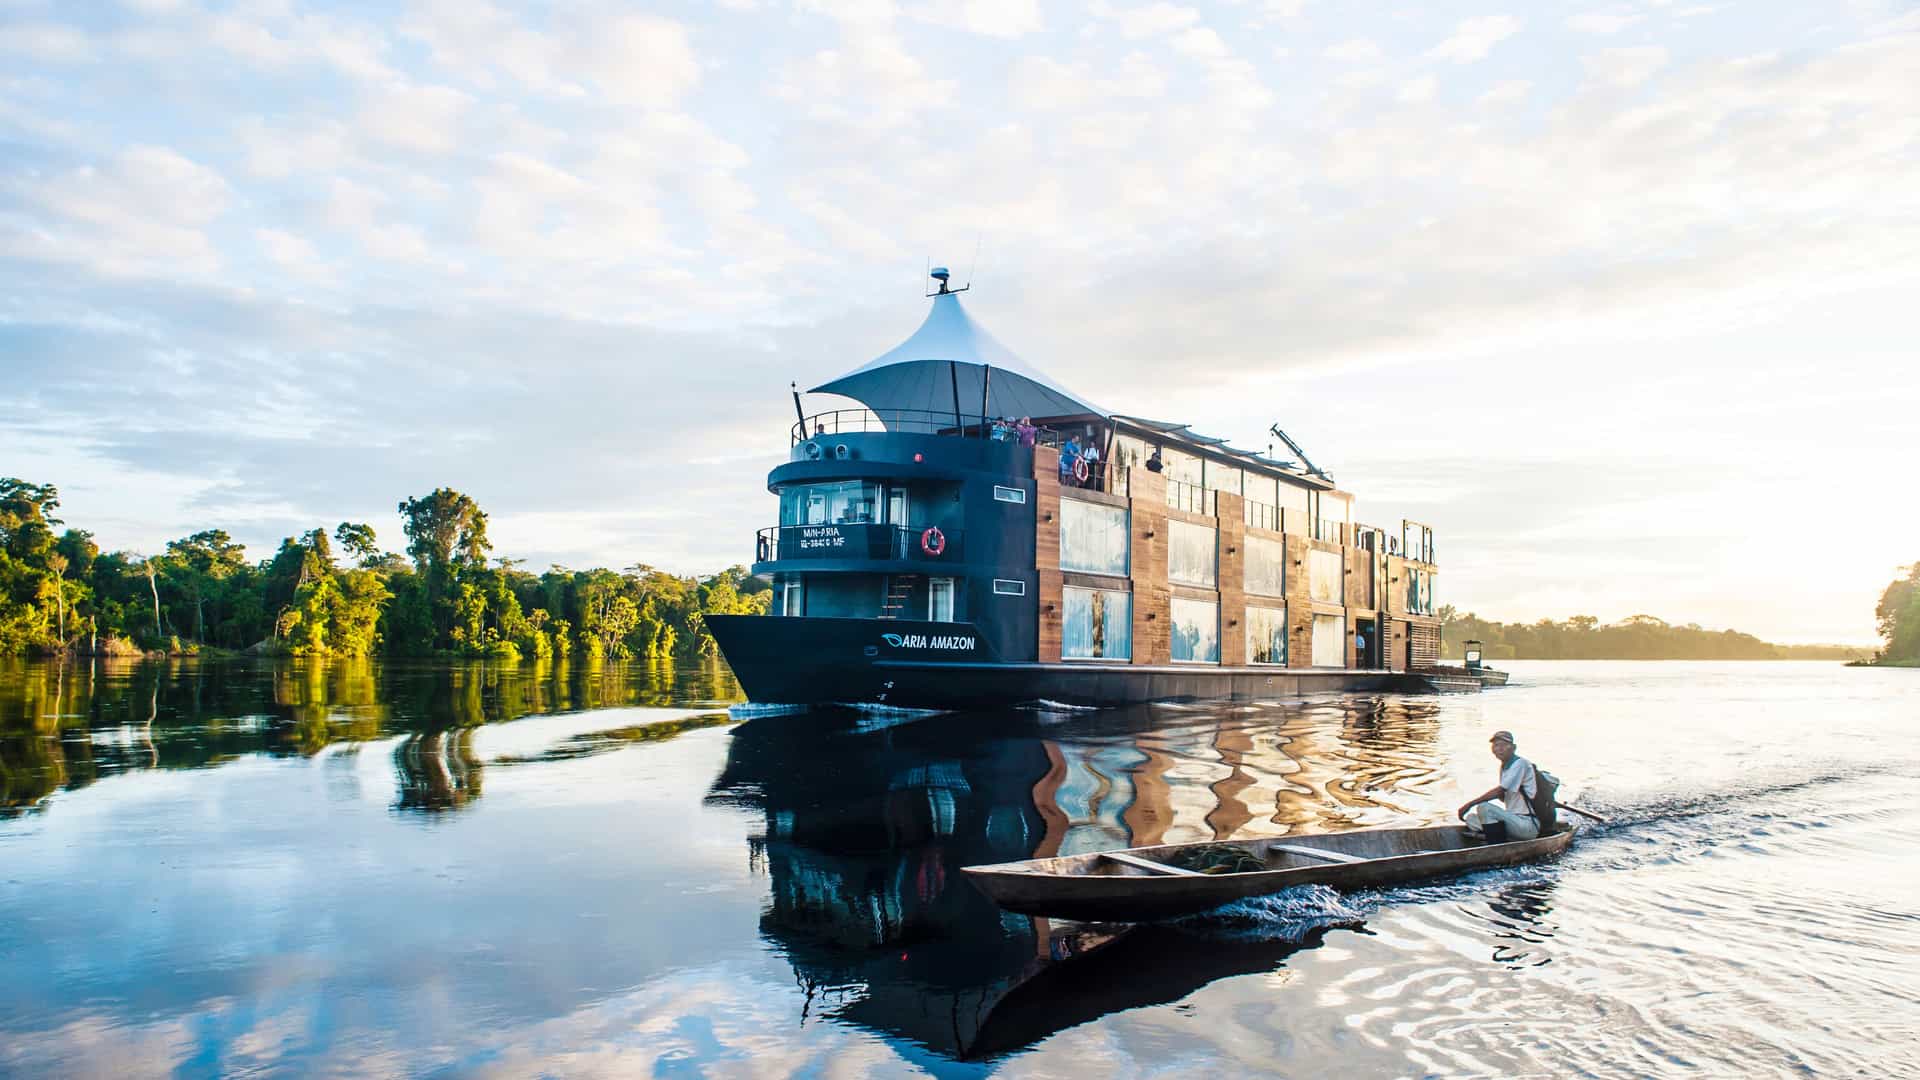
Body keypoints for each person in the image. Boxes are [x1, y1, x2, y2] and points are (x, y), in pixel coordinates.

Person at [1457, 730, 1539, 841]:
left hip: (1526, 825)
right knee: (1471, 819)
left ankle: (1496, 843)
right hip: (1514, 821)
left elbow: (1499, 791)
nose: (1499, 749)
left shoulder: (1521, 763)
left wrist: (1469, 804)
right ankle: (1499, 837)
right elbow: (1502, 796)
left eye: (1504, 745)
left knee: (1484, 807)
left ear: (1513, 747)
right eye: (1496, 745)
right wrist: (1499, 794)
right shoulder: (1504, 767)